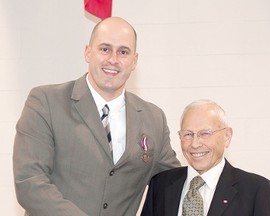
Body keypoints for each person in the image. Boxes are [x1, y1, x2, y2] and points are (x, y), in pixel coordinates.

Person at [13, 17, 180, 216]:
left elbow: (172, 185)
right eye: (105, 49)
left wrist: (219, 181)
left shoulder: (154, 119)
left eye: (123, 52)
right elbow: (30, 183)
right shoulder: (46, 102)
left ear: (134, 61)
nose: (113, 59)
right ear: (88, 52)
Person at [141, 99, 270, 216]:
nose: (195, 144)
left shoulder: (255, 190)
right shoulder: (160, 184)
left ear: (227, 136)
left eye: (205, 133)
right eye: (188, 134)